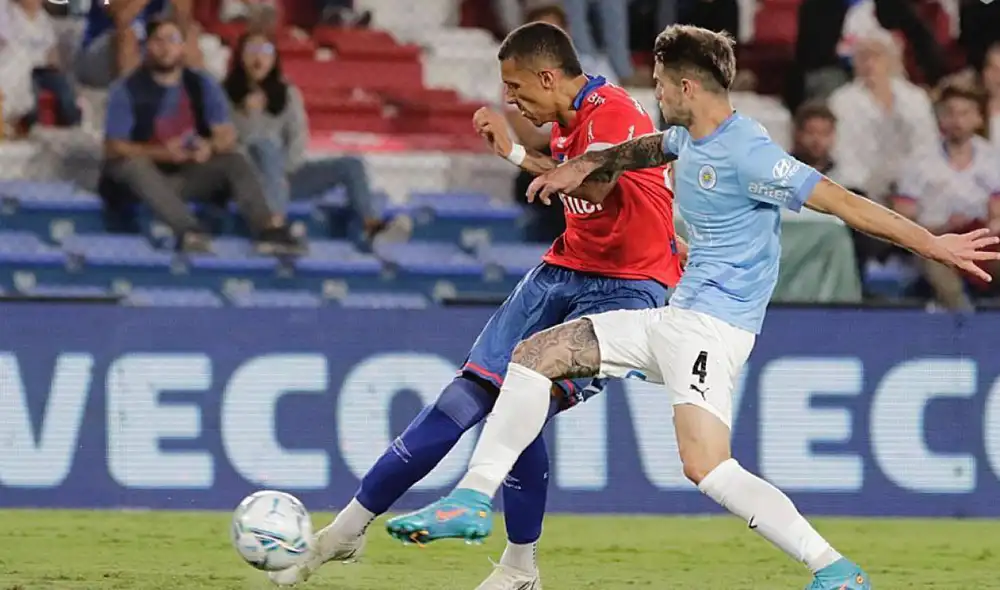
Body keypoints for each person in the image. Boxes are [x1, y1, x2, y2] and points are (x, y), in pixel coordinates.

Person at [386, 24, 1000, 590]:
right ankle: (836, 571)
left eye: (657, 84)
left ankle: (475, 497)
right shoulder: (687, 137)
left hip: (710, 328)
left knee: (704, 464)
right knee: (540, 358)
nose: (653, 94)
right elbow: (637, 152)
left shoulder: (750, 154)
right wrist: (568, 165)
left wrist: (933, 243)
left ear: (685, 86)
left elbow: (844, 203)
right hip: (680, 321)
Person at [269, 21, 685, 590]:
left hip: (625, 290)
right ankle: (346, 531)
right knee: (466, 397)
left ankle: (516, 566)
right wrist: (518, 149)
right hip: (563, 271)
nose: (509, 98)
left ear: (548, 75)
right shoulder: (567, 122)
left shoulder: (612, 113)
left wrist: (529, 156)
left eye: (516, 88)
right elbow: (576, 176)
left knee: (524, 407)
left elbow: (594, 185)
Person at [100, 17, 302, 255]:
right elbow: (113, 147)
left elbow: (226, 135)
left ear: (182, 46)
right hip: (142, 179)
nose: (166, 47)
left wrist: (209, 147)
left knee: (234, 160)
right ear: (148, 46)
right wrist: (162, 153)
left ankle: (268, 230)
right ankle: (189, 230)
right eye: (158, 41)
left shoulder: (201, 83)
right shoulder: (127, 88)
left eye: (173, 40)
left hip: (186, 175)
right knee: (131, 165)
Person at [224, 32, 408, 243]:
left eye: (265, 51)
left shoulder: (288, 93)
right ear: (240, 57)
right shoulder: (225, 95)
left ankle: (371, 226)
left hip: (286, 176)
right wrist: (250, 116)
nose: (259, 58)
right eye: (252, 51)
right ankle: (274, 228)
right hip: (245, 179)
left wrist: (280, 173)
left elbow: (298, 139)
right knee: (266, 146)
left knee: (351, 164)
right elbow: (232, 145)